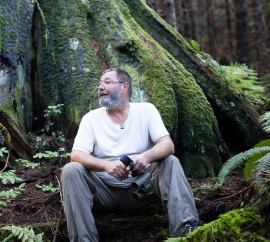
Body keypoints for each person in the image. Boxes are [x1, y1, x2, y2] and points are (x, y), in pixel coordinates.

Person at [61, 68, 202, 241]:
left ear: (124, 87)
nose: (101, 87)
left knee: (170, 161)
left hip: (140, 189)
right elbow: (76, 155)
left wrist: (146, 157)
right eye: (100, 83)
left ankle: (186, 233)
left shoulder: (146, 111)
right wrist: (107, 166)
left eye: (107, 82)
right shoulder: (91, 119)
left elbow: (167, 145)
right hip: (102, 192)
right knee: (71, 170)